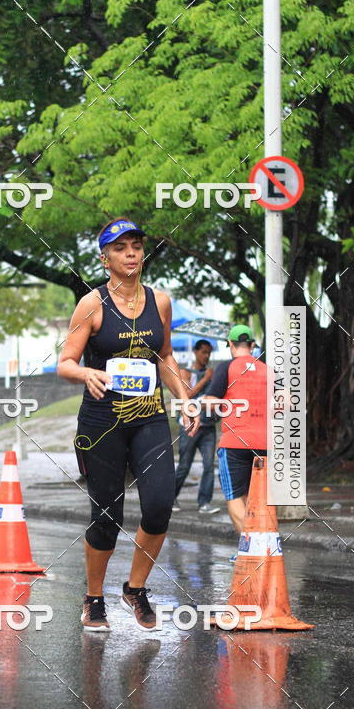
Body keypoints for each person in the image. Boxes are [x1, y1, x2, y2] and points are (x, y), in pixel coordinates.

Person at [58, 218, 198, 633]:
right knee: (107, 516)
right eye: (121, 248)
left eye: (136, 246)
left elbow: (165, 357)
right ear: (106, 259)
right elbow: (65, 362)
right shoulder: (92, 305)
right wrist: (87, 374)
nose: (132, 253)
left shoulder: (161, 302)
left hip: (149, 417)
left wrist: (184, 400)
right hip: (103, 421)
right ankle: (94, 597)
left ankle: (135, 588)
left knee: (158, 506)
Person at [202, 325, 266, 534]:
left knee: (235, 497)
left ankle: (250, 547)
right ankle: (260, 546)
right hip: (266, 444)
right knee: (257, 497)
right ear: (252, 345)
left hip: (235, 443)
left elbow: (211, 402)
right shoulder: (266, 368)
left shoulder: (226, 367)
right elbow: (283, 402)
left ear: (230, 344)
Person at [173, 339, 220, 515]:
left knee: (209, 465)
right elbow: (187, 394)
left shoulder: (211, 373)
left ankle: (204, 503)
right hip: (190, 426)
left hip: (208, 426)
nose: (206, 356)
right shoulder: (186, 372)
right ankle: (170, 497)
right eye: (203, 352)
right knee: (184, 465)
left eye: (209, 352)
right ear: (195, 352)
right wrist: (205, 379)